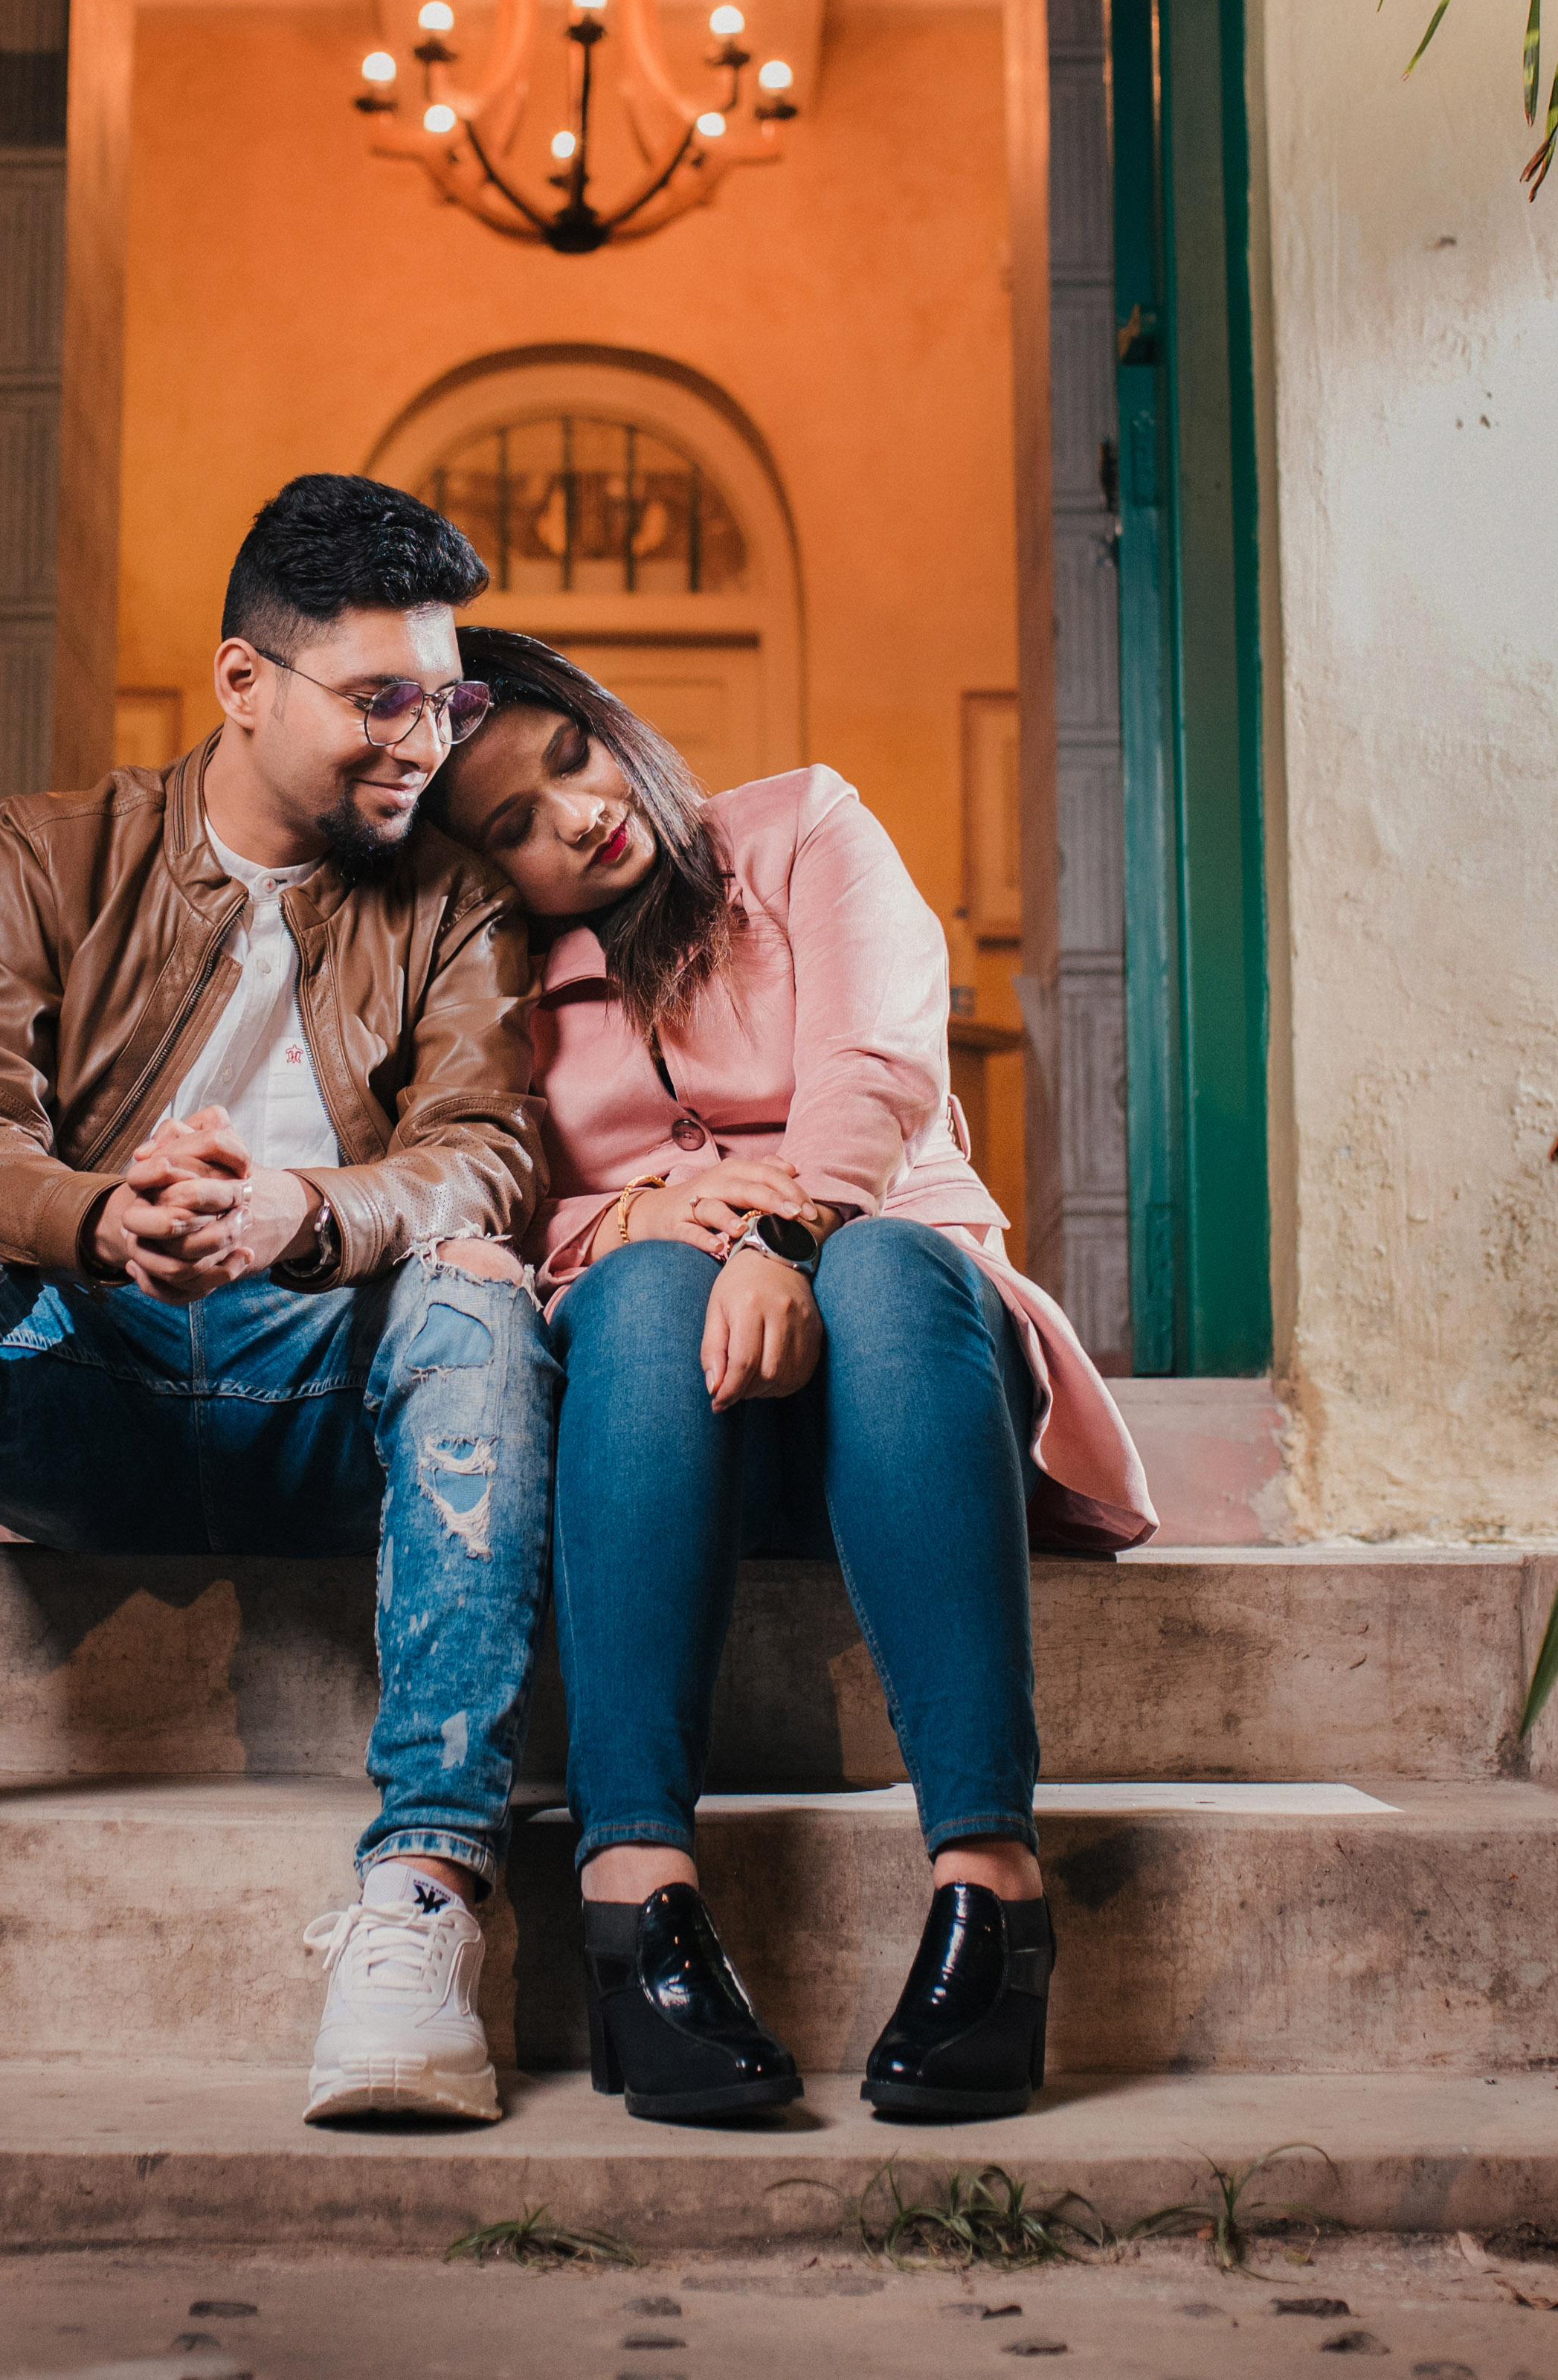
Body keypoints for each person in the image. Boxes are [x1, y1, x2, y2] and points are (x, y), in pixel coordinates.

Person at [0, 475, 558, 2131]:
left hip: (327, 1401)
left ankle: (423, 1901)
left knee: (476, 1290)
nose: (422, 743)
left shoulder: (455, 899)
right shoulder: (48, 851)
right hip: (87, 1386)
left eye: (443, 704)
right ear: (244, 681)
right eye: (379, 700)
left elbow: (482, 1152)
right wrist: (105, 1220)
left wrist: (305, 1212)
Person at [422, 626, 1153, 2126]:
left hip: (911, 1379)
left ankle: (990, 1895)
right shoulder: (493, 975)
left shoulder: (804, 828)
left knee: (882, 1268)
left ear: (611, 724)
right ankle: (638, 1904)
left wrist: (782, 1232)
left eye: (574, 756)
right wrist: (630, 1215)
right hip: (679, 1415)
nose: (579, 813)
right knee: (638, 1292)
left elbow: (878, 1063)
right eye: (515, 825)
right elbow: (484, 1188)